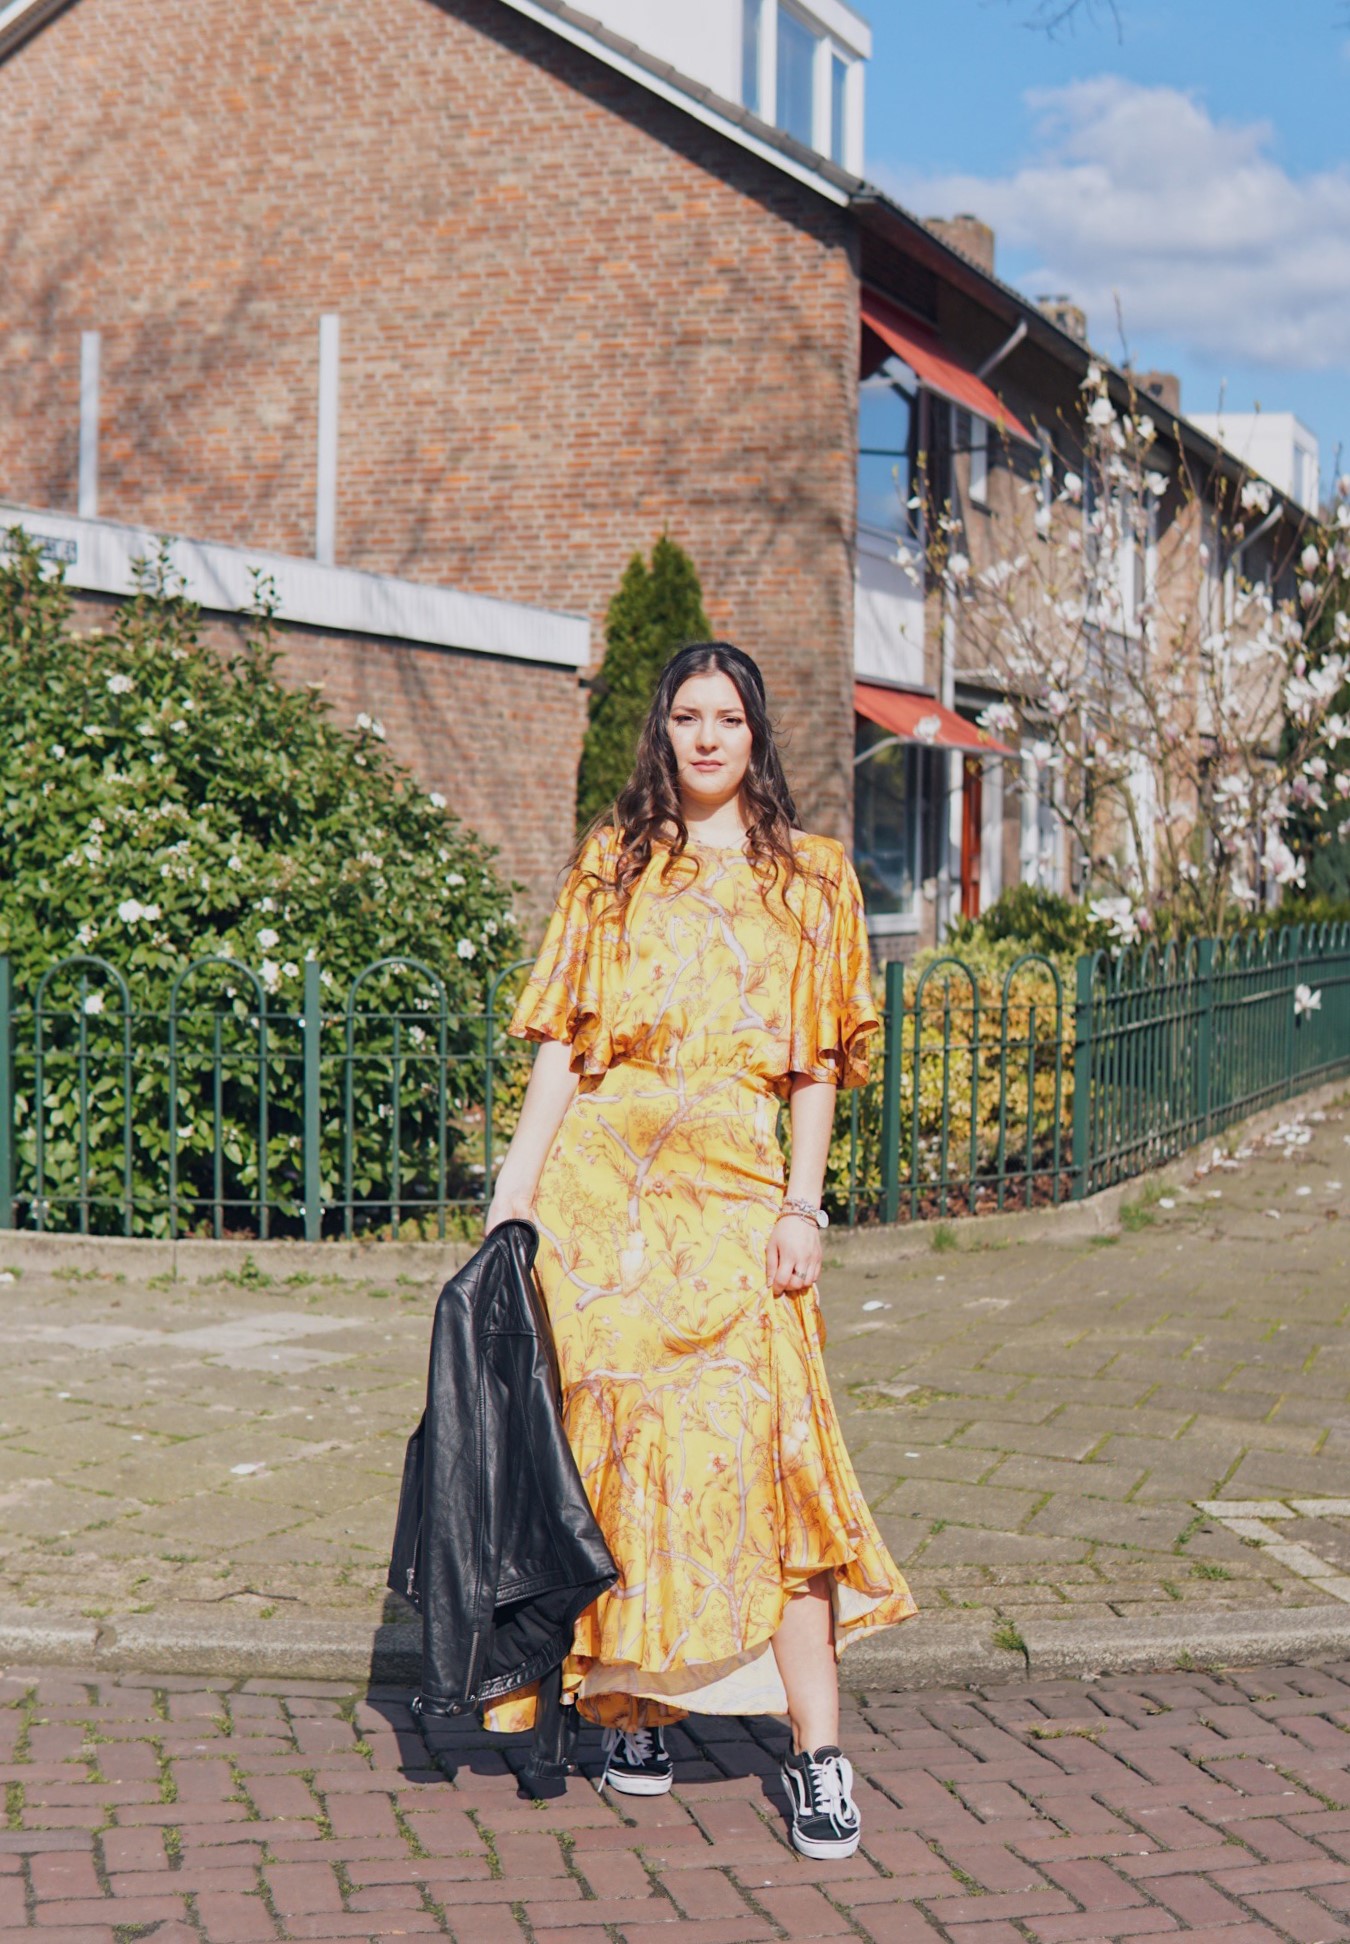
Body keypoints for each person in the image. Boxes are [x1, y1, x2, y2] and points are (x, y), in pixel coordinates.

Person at [485, 641, 915, 1860]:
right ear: (662, 733)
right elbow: (564, 1047)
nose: (709, 737)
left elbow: (819, 1065)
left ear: (757, 732)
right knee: (619, 1457)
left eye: (729, 717)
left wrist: (803, 1208)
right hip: (605, 1208)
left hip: (736, 1199)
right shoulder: (613, 867)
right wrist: (516, 1192)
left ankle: (819, 1756)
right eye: (688, 716)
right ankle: (631, 1706)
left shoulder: (812, 881)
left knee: (775, 1466)